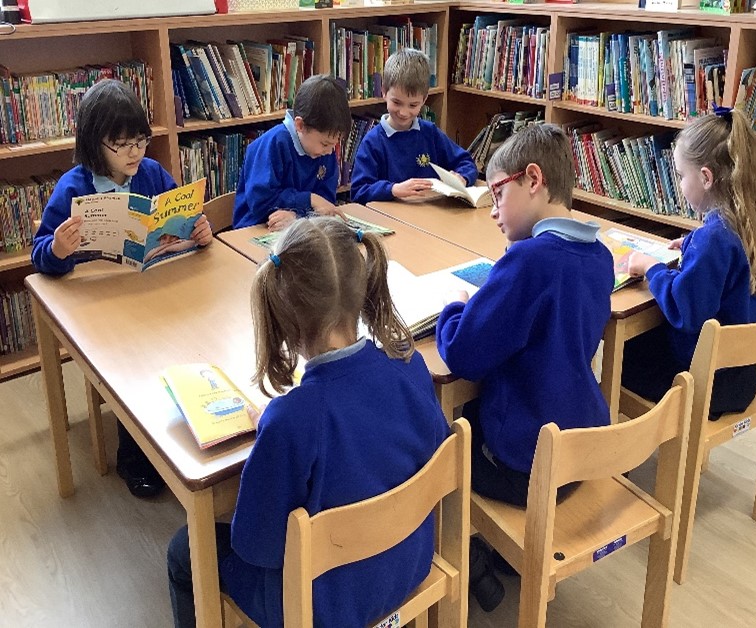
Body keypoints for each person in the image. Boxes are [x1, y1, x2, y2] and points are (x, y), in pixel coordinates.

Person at [167, 217, 450, 628]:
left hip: (322, 608)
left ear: (283, 319)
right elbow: (433, 456)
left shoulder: (292, 420)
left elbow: (255, 546)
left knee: (184, 550)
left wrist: (271, 429)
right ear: (362, 289)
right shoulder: (410, 366)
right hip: (408, 565)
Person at [435, 124, 614, 611]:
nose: (492, 211)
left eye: (497, 194)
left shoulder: (529, 261)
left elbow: (464, 354)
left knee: (435, 429)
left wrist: (455, 307)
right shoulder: (599, 257)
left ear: (532, 179)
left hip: (526, 466)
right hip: (580, 451)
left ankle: (466, 556)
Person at [31, 79, 214, 498]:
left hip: (152, 291)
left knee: (186, 338)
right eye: (122, 144)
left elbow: (181, 217)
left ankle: (185, 427)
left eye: (141, 141)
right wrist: (59, 247)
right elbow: (40, 256)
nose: (134, 153)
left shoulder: (150, 174)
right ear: (95, 144)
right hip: (100, 308)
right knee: (133, 368)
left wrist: (199, 231)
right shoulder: (74, 188)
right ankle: (135, 455)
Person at [623, 107, 756, 419]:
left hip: (704, 382)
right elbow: (726, 262)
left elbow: (685, 310)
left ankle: (627, 447)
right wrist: (692, 244)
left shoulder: (714, 239)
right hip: (741, 374)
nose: (679, 185)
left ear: (705, 177)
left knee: (628, 352)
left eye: (681, 176)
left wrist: (652, 268)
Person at [350, 48, 478, 204]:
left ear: (424, 100)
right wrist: (393, 189)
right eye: (397, 102)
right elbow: (359, 191)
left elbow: (466, 162)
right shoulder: (373, 141)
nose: (404, 112)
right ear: (383, 91)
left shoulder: (429, 132)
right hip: (392, 218)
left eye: (413, 105)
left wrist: (462, 178)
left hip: (430, 214)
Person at [232, 74, 352, 230]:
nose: (329, 152)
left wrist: (297, 217)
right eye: (325, 144)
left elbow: (325, 203)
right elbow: (260, 202)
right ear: (300, 125)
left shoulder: (324, 152)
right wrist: (309, 200)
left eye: (334, 145)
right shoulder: (274, 144)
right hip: (257, 227)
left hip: (300, 227)